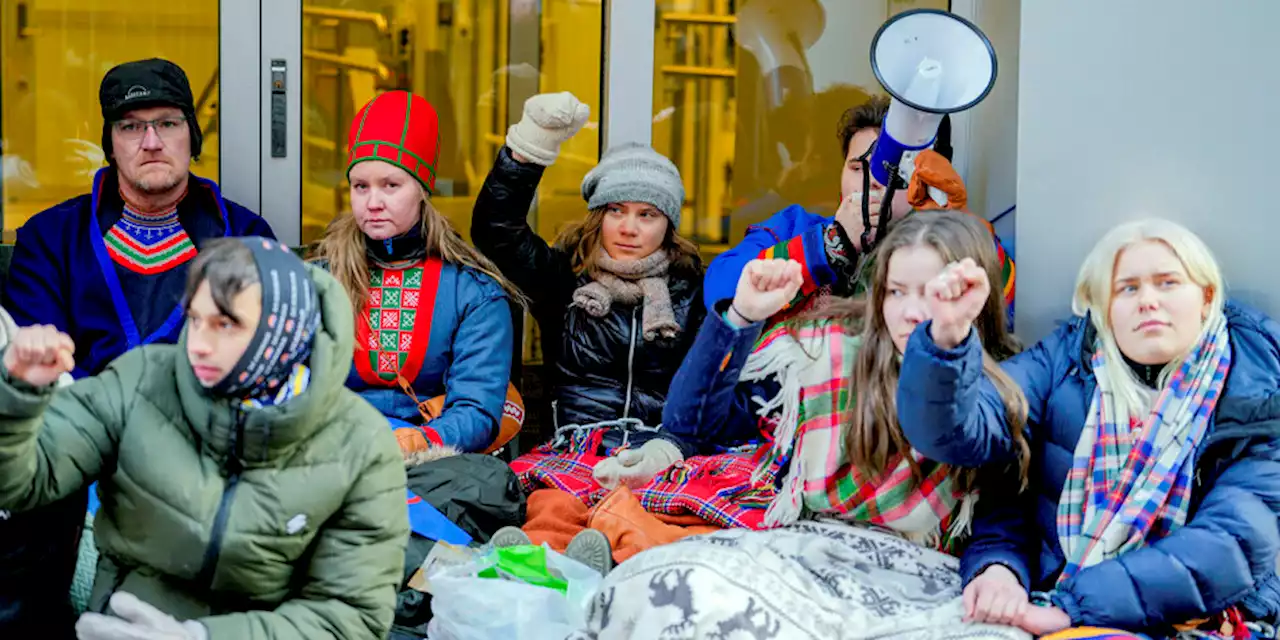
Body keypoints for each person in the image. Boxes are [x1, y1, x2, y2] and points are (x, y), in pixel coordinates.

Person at [568, 210, 1031, 638]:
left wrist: (998, 569)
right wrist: (742, 315)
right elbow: (692, 425)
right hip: (803, 554)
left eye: (931, 292)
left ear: (973, 297)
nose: (910, 311)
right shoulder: (824, 351)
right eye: (896, 291)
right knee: (659, 594)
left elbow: (1004, 512)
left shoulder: (1007, 386)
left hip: (923, 572)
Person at [0, 237, 408, 640]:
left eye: (226, 324)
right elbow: (21, 484)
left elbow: (348, 616)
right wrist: (18, 395)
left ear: (284, 331)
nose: (198, 346)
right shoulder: (138, 382)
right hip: (126, 628)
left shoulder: (361, 444)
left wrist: (201, 637)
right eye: (195, 319)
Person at [897, 219, 1280, 636]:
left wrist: (1072, 608)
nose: (1147, 301)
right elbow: (958, 433)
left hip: (1204, 617)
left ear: (1206, 297)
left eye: (1168, 283)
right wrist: (947, 340)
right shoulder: (1064, 361)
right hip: (1054, 598)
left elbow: (1232, 542)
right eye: (1127, 288)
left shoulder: (1258, 389)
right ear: (1103, 307)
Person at [0, 58, 273, 638]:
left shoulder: (246, 237)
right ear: (111, 144)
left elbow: (263, 370)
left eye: (168, 123)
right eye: (130, 126)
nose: (151, 141)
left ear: (192, 139)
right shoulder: (51, 238)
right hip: (79, 457)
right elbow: (40, 376)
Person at [470, 92, 706, 572]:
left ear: (668, 224)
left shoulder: (691, 293)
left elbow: (707, 393)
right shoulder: (565, 279)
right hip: (580, 443)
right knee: (552, 508)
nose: (629, 227)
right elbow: (497, 231)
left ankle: (609, 573)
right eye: (616, 210)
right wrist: (529, 148)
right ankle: (529, 568)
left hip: (657, 450)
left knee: (649, 521)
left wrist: (671, 448)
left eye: (647, 214)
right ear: (598, 214)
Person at [313, 89, 519, 454]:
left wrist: (417, 443)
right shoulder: (317, 281)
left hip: (429, 459)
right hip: (329, 452)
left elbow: (477, 410)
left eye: (391, 185)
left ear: (423, 191)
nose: (373, 203)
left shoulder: (473, 292)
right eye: (361, 187)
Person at [701, 96, 1015, 325]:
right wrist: (830, 244)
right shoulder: (794, 227)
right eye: (857, 167)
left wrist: (954, 233)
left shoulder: (957, 240)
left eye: (891, 172)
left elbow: (1004, 314)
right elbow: (721, 288)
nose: (873, 182)